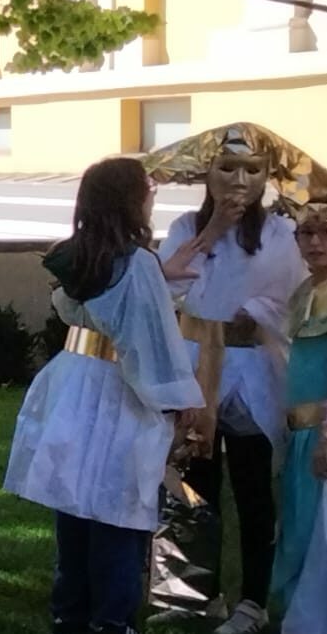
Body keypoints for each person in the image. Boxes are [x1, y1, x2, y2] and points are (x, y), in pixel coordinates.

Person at [4, 157, 205, 634]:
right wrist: (177, 401)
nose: (152, 195)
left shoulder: (77, 254)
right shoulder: (136, 264)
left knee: (74, 509)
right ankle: (111, 622)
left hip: (74, 386)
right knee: (119, 510)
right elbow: (147, 341)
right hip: (119, 395)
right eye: (147, 188)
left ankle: (69, 616)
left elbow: (103, 311)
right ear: (130, 200)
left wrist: (163, 279)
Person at [145, 124, 311, 634]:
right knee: (193, 485)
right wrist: (212, 231)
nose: (239, 180)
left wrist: (256, 315)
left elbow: (297, 299)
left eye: (252, 170)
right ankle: (193, 591)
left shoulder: (283, 233)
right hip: (195, 368)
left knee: (253, 488)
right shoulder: (183, 228)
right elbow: (164, 286)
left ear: (267, 177)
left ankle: (253, 602)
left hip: (252, 372)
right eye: (227, 168)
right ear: (207, 173)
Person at [271, 201, 327, 634]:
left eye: (325, 233)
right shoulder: (305, 291)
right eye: (306, 233)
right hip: (301, 436)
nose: (315, 242)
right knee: (297, 530)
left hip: (324, 434)